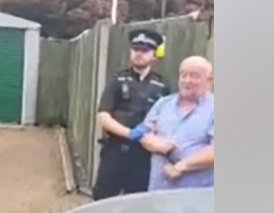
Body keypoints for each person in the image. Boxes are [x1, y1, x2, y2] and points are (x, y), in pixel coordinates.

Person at [92, 29, 171, 201]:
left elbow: (165, 121)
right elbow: (103, 115)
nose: (139, 54)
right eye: (136, 49)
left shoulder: (162, 85)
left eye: (145, 50)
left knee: (136, 204)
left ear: (154, 55)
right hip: (115, 152)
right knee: (103, 201)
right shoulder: (117, 79)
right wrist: (129, 133)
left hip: (143, 158)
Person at [138, 56, 214, 191]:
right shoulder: (163, 104)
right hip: (158, 191)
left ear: (209, 81)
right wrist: (156, 143)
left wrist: (182, 166)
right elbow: (143, 132)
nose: (187, 80)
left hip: (197, 196)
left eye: (194, 76)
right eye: (183, 75)